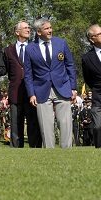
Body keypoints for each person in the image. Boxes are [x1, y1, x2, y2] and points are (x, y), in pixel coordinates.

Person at [23, 18, 78, 149]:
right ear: (38, 32)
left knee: (65, 123)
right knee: (45, 125)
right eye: (47, 29)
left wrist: (73, 87)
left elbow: (70, 65)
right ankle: (49, 153)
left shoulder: (61, 43)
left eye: (50, 27)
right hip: (40, 90)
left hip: (63, 88)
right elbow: (28, 74)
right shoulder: (30, 48)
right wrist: (31, 94)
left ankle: (67, 151)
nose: (50, 30)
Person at [3, 21, 42, 149]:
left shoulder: (35, 47)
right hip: (15, 93)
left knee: (33, 124)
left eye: (29, 28)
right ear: (17, 32)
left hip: (33, 93)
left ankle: (35, 149)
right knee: (15, 124)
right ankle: (16, 150)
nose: (28, 30)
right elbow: (8, 71)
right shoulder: (8, 50)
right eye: (25, 28)